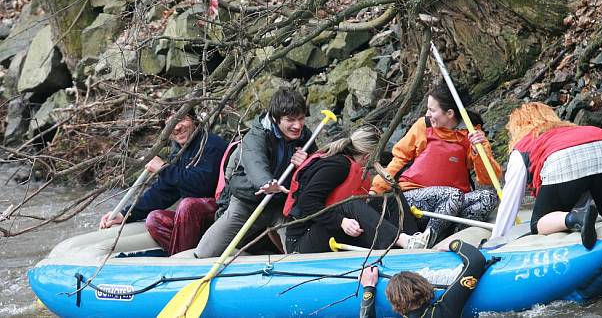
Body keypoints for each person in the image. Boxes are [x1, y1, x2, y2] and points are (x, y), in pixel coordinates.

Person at [371, 84, 501, 247]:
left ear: (449, 113)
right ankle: (425, 241)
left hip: (452, 203)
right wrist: (376, 189)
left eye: (432, 110)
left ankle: (453, 239)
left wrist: (479, 150)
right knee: (453, 194)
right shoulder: (422, 126)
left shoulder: (471, 134)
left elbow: (488, 179)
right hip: (414, 198)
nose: (427, 114)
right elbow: (399, 159)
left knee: (488, 197)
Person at [491, 102, 602, 249]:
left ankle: (576, 218)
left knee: (538, 222)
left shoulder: (523, 147)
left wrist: (496, 239)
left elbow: (511, 198)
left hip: (564, 156)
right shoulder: (569, 129)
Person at [194, 88, 311, 258]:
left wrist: (305, 164)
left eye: (301, 119)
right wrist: (266, 183)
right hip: (248, 201)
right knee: (205, 252)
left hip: (280, 205)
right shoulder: (256, 136)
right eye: (290, 120)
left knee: (300, 254)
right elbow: (255, 162)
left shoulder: (306, 136)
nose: (298, 125)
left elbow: (316, 169)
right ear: (275, 119)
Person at [99, 108, 228, 256]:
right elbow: (163, 191)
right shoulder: (179, 152)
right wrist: (125, 214)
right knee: (154, 218)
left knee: (188, 205)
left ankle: (181, 261)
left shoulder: (212, 145)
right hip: (194, 221)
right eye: (171, 124)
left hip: (219, 215)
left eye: (182, 119)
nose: (177, 127)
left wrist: (163, 169)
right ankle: (181, 256)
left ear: (194, 120)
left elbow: (202, 185)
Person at [284, 126, 431, 254]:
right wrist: (341, 221)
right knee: (350, 204)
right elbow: (306, 202)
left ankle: (413, 241)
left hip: (326, 229)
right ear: (367, 157)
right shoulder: (337, 166)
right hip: (302, 240)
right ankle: (404, 241)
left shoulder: (348, 163)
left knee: (389, 199)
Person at [359, 239, 491, 318]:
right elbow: (476, 261)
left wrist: (368, 287)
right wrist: (453, 244)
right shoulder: (445, 311)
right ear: (427, 287)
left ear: (396, 306)